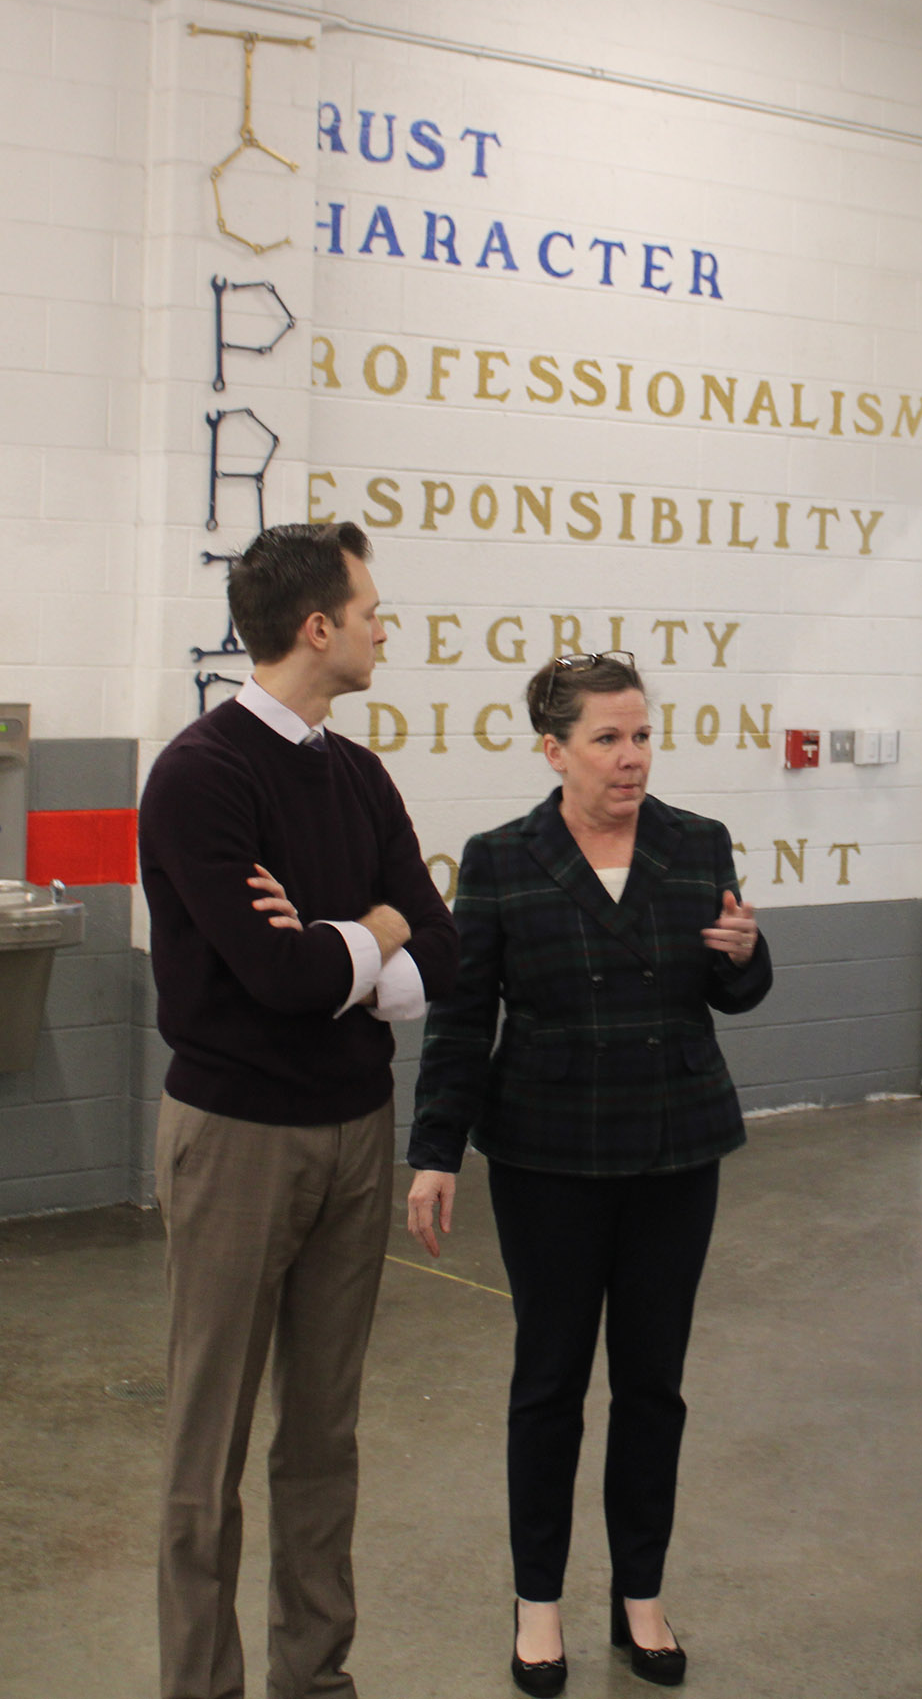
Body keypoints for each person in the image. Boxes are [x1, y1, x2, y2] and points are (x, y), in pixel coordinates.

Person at [406, 651, 772, 1694]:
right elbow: (465, 1016)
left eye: (642, 734)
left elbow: (730, 988)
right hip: (548, 1156)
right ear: (552, 748)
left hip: (674, 1147)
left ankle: (641, 1595)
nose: (631, 758)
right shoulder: (503, 858)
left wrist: (746, 954)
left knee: (653, 1384)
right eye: (607, 738)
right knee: (551, 1384)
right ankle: (538, 1606)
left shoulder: (695, 843)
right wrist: (436, 1150)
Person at [139, 520, 458, 1699]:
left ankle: (314, 1678)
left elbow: (447, 947)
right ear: (318, 626)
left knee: (324, 1437)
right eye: (372, 608)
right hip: (235, 1139)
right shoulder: (200, 776)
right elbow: (278, 982)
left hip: (355, 1132)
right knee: (206, 1444)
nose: (385, 627)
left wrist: (351, 944)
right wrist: (375, 929)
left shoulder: (357, 771)